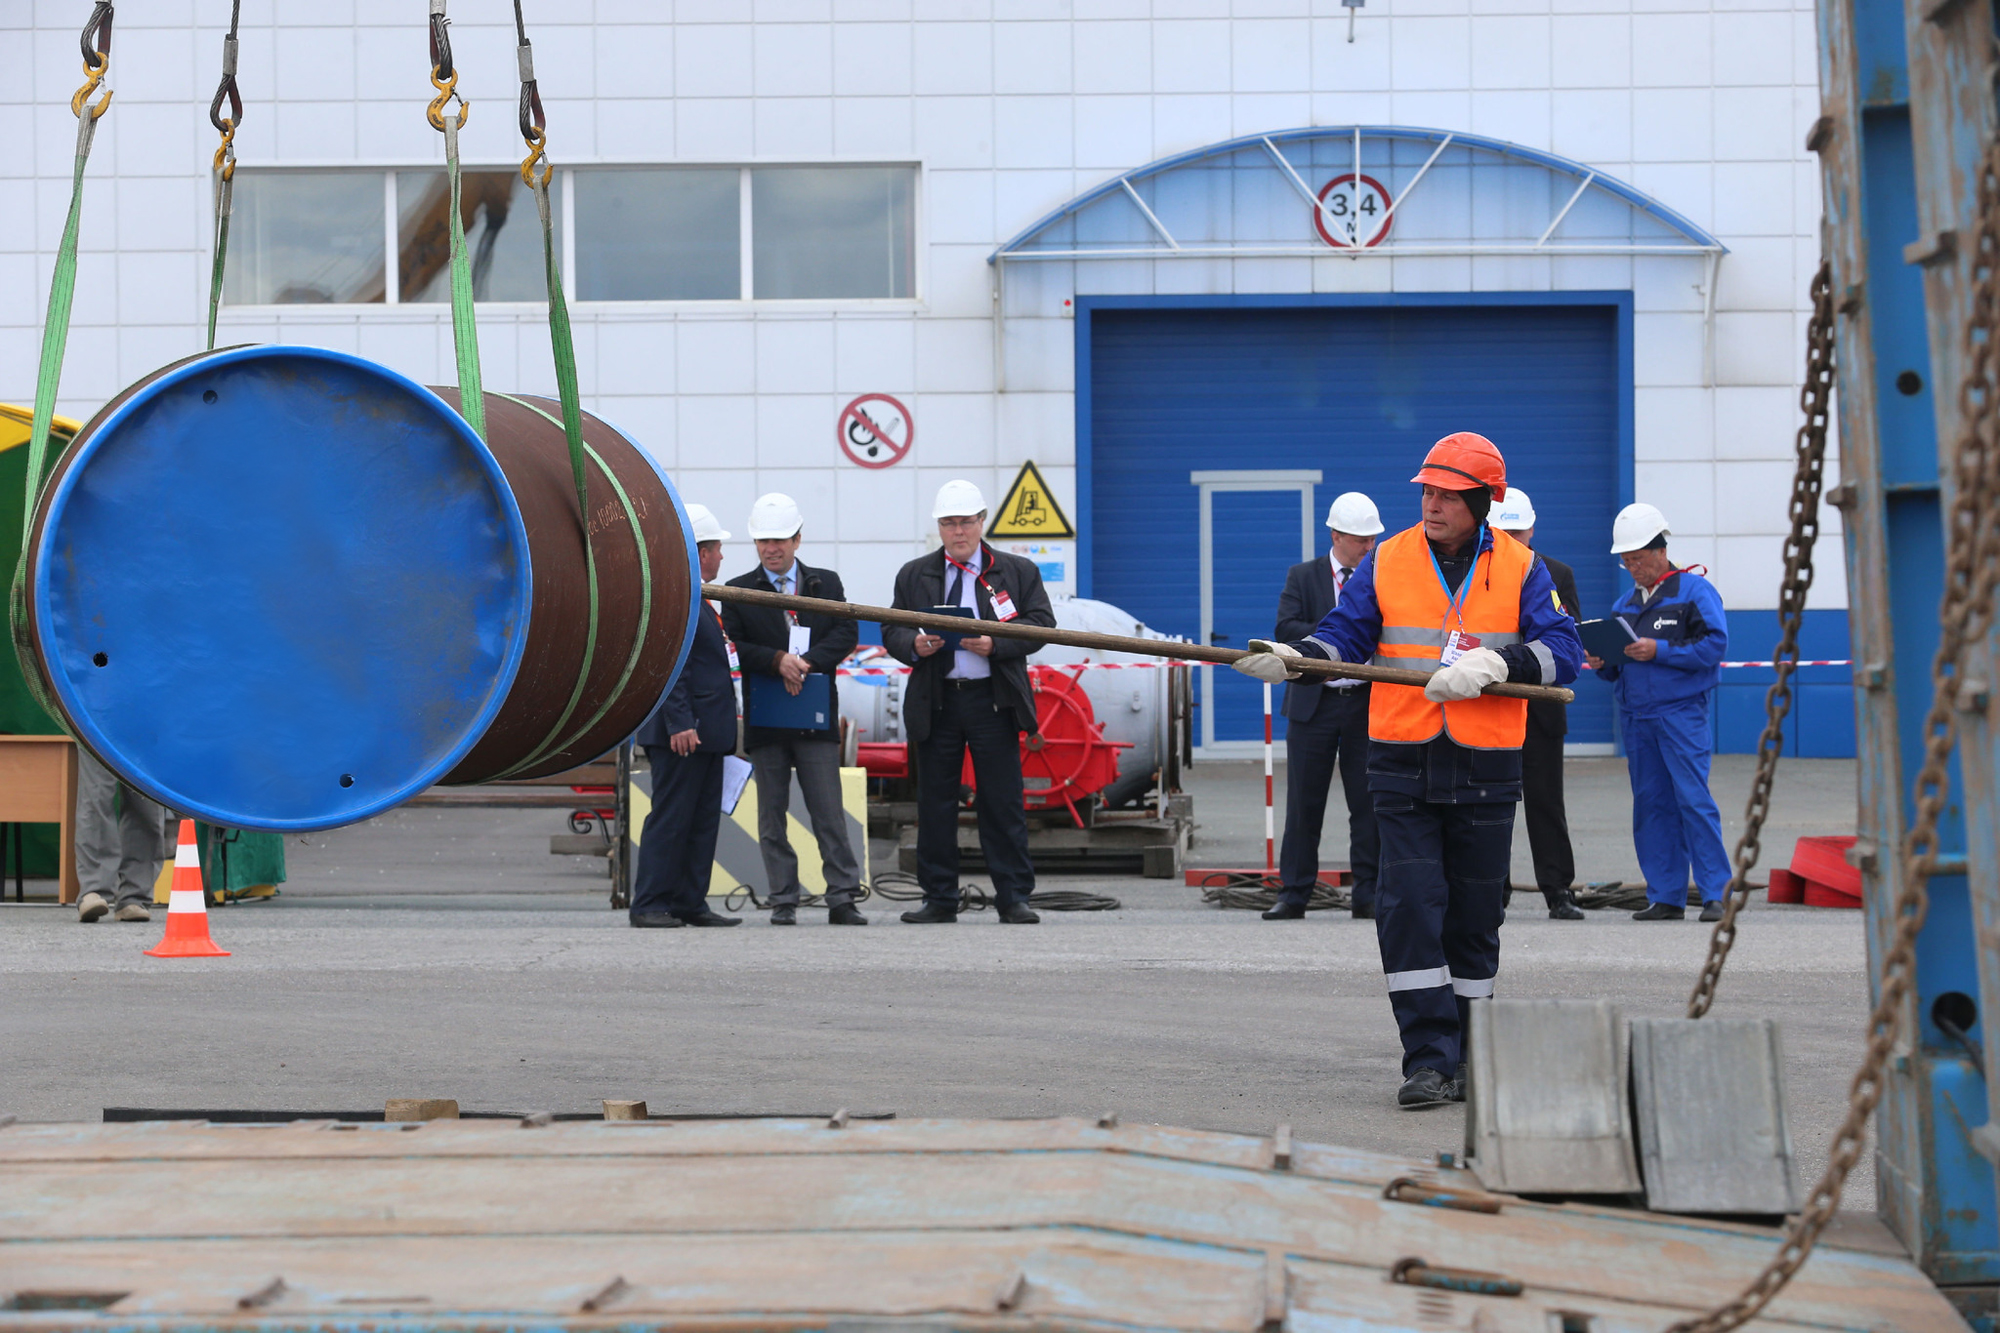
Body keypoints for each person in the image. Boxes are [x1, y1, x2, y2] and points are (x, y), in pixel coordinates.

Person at [1232, 432, 1583, 1108]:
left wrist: (1500, 662)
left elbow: (1563, 650)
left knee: (1476, 914)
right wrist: (1299, 657)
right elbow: (1346, 633)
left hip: (1485, 764)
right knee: (1410, 908)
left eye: (1447, 495)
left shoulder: (1522, 567)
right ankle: (1427, 1058)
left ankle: (1472, 1055)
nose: (1432, 504)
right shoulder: (1388, 559)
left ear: (1481, 502)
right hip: (1402, 760)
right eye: (1427, 492)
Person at [882, 479, 1055, 924]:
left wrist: (996, 644)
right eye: (948, 523)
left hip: (992, 702)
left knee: (1002, 801)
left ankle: (1013, 896)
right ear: (938, 527)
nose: (958, 531)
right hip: (938, 702)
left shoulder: (1016, 572)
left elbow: (1042, 624)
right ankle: (939, 898)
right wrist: (913, 645)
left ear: (982, 522)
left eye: (965, 522)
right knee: (935, 803)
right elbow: (892, 628)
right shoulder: (913, 574)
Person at [720, 493, 866, 926]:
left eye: (779, 540)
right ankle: (783, 897)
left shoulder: (826, 583)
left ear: (797, 539)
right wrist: (776, 660)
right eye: (763, 541)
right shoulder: (738, 591)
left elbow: (846, 632)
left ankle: (842, 897)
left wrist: (807, 663)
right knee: (771, 815)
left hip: (814, 714)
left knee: (828, 810)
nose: (771, 549)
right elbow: (735, 645)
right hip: (767, 717)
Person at [1587, 503, 1731, 923]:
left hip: (1681, 714)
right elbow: (1616, 671)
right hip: (1637, 718)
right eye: (1626, 561)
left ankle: (1716, 894)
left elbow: (1714, 646)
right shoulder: (1624, 605)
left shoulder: (1695, 593)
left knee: (1693, 801)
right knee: (1651, 805)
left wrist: (1660, 650)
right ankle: (1666, 896)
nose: (1633, 568)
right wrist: (1602, 662)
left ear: (1661, 551)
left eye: (1637, 559)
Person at [1267, 491, 1384, 922]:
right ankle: (1294, 893)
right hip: (1313, 705)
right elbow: (1285, 628)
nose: (1368, 547)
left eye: (1372, 539)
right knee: (1304, 803)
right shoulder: (1303, 576)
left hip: (1364, 703)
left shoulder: (1382, 576)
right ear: (1336, 536)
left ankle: (1368, 894)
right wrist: (1343, 625)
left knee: (1368, 804)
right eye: (1360, 540)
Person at [629, 503, 740, 928]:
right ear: (699, 552)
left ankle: (689, 901)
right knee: (672, 819)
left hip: (706, 731)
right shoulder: (675, 598)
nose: (721, 556)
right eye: (716, 548)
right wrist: (680, 722)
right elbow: (670, 663)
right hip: (684, 731)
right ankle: (650, 903)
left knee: (701, 820)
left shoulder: (698, 597)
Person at [1489, 488, 1585, 921]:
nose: (1513, 541)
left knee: (1546, 802)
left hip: (1541, 711)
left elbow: (1569, 638)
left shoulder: (1557, 574)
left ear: (1532, 529)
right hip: (1492, 707)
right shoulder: (1479, 575)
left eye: (1519, 533)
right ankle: (1493, 888)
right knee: (1490, 800)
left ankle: (1558, 889)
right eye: (1505, 533)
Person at [73, 753, 171, 924]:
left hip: (148, 736)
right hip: (98, 733)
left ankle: (135, 896)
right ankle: (93, 890)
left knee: (147, 803)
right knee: (96, 797)